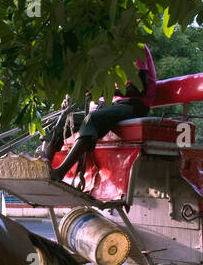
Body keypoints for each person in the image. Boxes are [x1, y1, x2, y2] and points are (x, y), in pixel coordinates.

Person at [45, 45, 157, 182]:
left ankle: (59, 173)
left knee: (91, 119)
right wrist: (72, 96)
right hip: (113, 104)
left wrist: (105, 92)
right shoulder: (106, 51)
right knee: (64, 119)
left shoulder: (135, 47)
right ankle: (44, 167)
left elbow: (140, 89)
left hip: (135, 105)